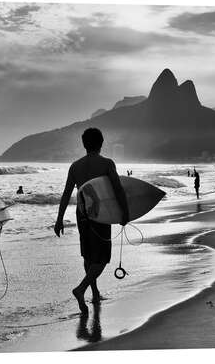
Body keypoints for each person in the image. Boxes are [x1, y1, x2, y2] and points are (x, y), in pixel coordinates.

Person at [54, 128, 129, 315]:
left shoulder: (75, 166)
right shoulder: (107, 163)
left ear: (84, 144)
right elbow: (118, 189)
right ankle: (81, 289)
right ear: (101, 143)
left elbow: (65, 194)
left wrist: (59, 219)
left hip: (82, 214)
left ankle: (95, 293)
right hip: (100, 215)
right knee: (102, 258)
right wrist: (124, 212)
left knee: (88, 256)